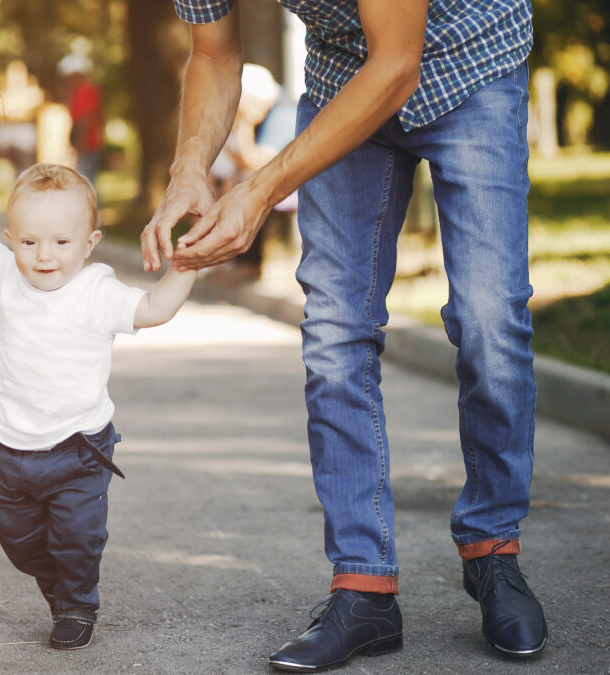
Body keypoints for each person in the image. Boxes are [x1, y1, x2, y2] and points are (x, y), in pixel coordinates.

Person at [142, 0, 546, 670]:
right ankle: (364, 583)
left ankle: (493, 549)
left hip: (470, 63)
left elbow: (397, 63)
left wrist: (262, 188)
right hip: (342, 77)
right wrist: (190, 168)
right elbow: (213, 53)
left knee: (489, 317)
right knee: (334, 327)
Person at [0, 163, 196, 649]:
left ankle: (77, 603)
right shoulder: (9, 273)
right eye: (29, 241)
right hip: (12, 447)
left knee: (76, 538)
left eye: (61, 242)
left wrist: (187, 265)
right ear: (12, 239)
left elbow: (155, 310)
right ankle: (58, 588)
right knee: (11, 532)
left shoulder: (96, 292)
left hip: (78, 448)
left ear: (90, 242)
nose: (43, 256)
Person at [208, 63, 296, 282]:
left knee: (247, 191)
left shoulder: (283, 115)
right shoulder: (264, 107)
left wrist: (243, 125)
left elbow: (255, 161)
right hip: (269, 178)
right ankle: (223, 258)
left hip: (295, 186)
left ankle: (247, 264)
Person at [58, 55, 104, 184]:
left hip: (88, 145)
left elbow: (86, 119)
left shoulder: (86, 90)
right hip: (84, 145)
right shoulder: (78, 91)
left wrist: (80, 145)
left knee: (86, 182)